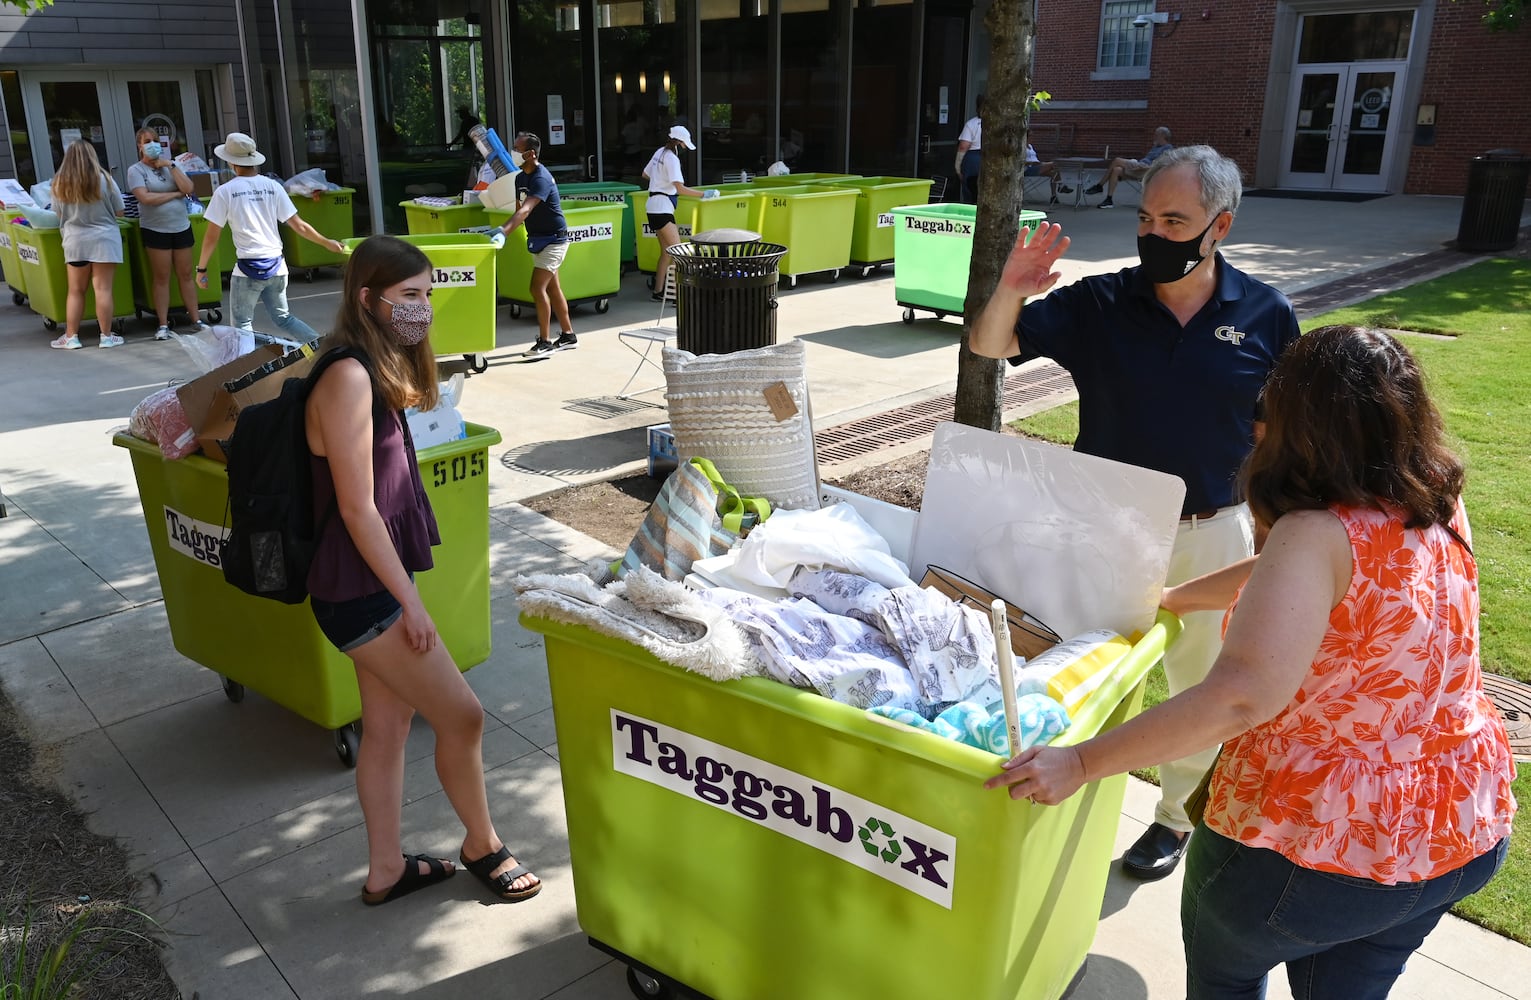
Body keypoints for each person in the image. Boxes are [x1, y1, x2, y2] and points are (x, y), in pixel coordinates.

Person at [986, 324, 1516, 1000]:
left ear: (1297, 424)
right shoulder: (1432, 491)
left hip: (1317, 840)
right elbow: (1288, 572)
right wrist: (1177, 596)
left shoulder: (1312, 533)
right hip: (1456, 823)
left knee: (1225, 975)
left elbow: (1241, 697)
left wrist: (1079, 762)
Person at [970, 145, 1301, 881]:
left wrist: (1271, 522)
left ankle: (1173, 819)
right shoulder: (1100, 303)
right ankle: (1067, 790)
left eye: (1174, 219)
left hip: (1209, 533)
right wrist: (1011, 289)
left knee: (1201, 687)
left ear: (1219, 226)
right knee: (1080, 673)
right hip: (1103, 530)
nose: (1153, 233)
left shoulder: (1264, 314)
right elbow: (990, 344)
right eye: (1146, 217)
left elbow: (1272, 429)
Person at [305, 234, 544, 908]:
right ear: (366, 298)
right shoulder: (349, 375)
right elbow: (357, 509)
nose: (422, 308)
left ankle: (387, 869)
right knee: (462, 717)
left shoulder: (369, 370)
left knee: (388, 727)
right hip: (361, 592)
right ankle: (482, 846)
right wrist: (409, 603)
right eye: (408, 296)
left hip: (359, 584)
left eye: (428, 295)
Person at [195, 132, 345, 345]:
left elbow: (211, 236)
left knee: (242, 326)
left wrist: (201, 269)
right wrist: (326, 242)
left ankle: (245, 369)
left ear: (231, 162)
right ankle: (323, 348)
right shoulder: (273, 186)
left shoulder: (225, 192)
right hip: (277, 266)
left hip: (247, 268)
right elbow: (299, 225)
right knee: (284, 318)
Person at [490, 132, 576, 356]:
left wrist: (504, 232)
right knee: (553, 288)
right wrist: (503, 227)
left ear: (531, 154)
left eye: (518, 149)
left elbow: (528, 208)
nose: (514, 152)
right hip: (539, 238)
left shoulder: (541, 178)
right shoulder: (520, 178)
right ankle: (568, 335)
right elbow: (520, 211)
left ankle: (545, 342)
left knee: (536, 288)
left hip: (555, 239)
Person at [127, 126, 205, 341]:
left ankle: (196, 320)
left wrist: (171, 166)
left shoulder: (173, 165)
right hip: (155, 229)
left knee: (186, 274)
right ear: (140, 146)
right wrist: (174, 194)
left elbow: (188, 188)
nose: (151, 144)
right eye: (146, 141)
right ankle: (163, 324)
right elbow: (145, 198)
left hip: (180, 226)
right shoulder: (136, 170)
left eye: (155, 140)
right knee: (161, 277)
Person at [49, 140, 125, 350]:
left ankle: (71, 337)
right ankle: (106, 337)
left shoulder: (59, 183)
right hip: (105, 239)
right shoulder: (106, 180)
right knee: (103, 289)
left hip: (75, 241)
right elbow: (120, 211)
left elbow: (57, 213)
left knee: (75, 290)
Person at [642, 124, 709, 302]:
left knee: (666, 252)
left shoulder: (659, 153)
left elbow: (645, 174)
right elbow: (680, 188)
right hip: (663, 208)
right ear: (679, 143)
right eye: (684, 144)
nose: (685, 148)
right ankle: (680, 295)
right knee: (680, 253)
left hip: (652, 207)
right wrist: (704, 194)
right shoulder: (672, 159)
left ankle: (658, 292)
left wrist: (659, 181)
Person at [1089, 125, 1173, 208]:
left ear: (1163, 136)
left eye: (1156, 135)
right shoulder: (1156, 146)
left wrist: (1145, 167)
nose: (1154, 137)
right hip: (1139, 167)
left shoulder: (1168, 148)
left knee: (1117, 160)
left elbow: (1160, 165)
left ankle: (1099, 186)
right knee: (1116, 170)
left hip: (1146, 170)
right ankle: (1109, 200)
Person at [954, 96, 983, 204]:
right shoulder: (1000, 124)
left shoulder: (972, 124)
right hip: (994, 158)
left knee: (971, 191)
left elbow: (963, 146)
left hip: (974, 160)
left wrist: (957, 167)